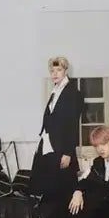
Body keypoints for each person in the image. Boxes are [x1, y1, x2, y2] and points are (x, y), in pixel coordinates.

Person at [29, 56, 83, 205]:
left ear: (65, 71)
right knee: (47, 186)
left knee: (64, 187)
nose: (55, 73)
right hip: (48, 144)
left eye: (59, 70)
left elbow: (72, 124)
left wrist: (68, 152)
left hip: (62, 147)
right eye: (52, 71)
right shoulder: (55, 91)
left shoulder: (73, 93)